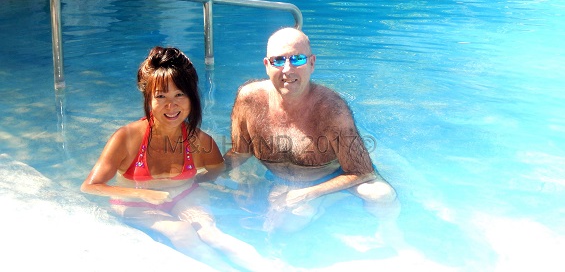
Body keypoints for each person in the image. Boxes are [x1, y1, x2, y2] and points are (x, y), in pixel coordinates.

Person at [81, 46, 284, 272]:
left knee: (212, 234)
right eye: (161, 96)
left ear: (191, 96)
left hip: (183, 194)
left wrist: (196, 183)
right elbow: (90, 186)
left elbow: (217, 170)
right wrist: (142, 193)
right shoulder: (127, 138)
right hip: (134, 201)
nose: (172, 105)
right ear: (148, 98)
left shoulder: (201, 142)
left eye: (180, 94)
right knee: (180, 230)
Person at [226, 27, 398, 230]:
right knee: (284, 229)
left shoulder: (332, 109)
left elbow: (363, 172)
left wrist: (308, 194)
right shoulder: (249, 99)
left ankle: (389, 233)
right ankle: (316, 207)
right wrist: (204, 175)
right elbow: (240, 152)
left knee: (382, 195)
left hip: (329, 177)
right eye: (278, 60)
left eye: (297, 59)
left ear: (312, 63)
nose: (287, 69)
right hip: (277, 179)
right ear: (266, 65)